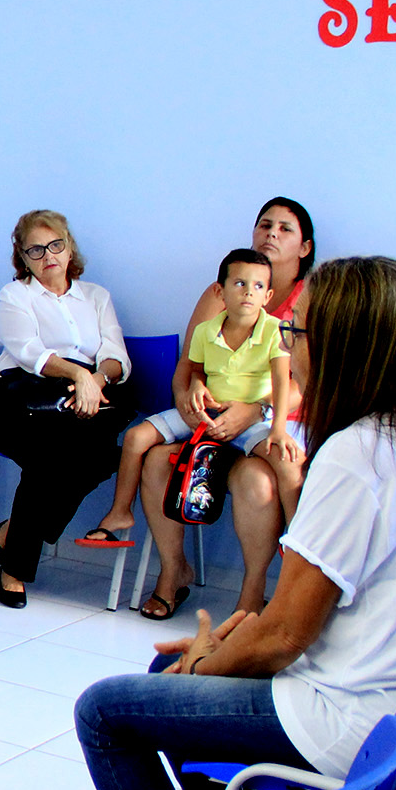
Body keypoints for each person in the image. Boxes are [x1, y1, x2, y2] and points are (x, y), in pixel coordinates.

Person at [72, 255, 396, 790]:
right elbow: (313, 618)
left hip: (354, 721)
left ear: (337, 345)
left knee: (104, 711)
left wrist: (205, 666)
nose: (286, 345)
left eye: (294, 329)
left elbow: (284, 637)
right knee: (167, 672)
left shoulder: (359, 455)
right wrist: (220, 653)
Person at [95, 249, 300, 620]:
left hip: (254, 419)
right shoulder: (209, 329)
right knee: (143, 443)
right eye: (240, 284)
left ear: (268, 295)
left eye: (257, 286)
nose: (248, 292)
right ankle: (150, 546)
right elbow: (194, 371)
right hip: (207, 416)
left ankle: (298, 539)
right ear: (221, 290)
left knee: (285, 462)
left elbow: (289, 382)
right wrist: (194, 392)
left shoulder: (276, 329)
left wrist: (277, 425)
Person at [139, 198, 319, 617]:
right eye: (264, 225)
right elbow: (188, 368)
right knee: (155, 461)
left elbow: (307, 384)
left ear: (305, 248)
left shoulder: (312, 299)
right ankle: (173, 572)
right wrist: (189, 396)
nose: (271, 233)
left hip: (274, 424)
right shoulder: (219, 292)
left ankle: (256, 592)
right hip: (213, 422)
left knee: (260, 483)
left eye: (285, 229)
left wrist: (256, 411)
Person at [0, 210, 135, 608]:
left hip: (86, 398)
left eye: (56, 245)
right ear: (23, 257)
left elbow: (117, 355)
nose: (48, 255)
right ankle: (14, 568)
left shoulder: (97, 297)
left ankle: (13, 534)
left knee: (111, 454)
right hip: (21, 401)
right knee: (51, 457)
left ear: (69, 248)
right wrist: (78, 375)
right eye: (36, 249)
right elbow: (28, 352)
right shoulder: (15, 295)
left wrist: (94, 381)